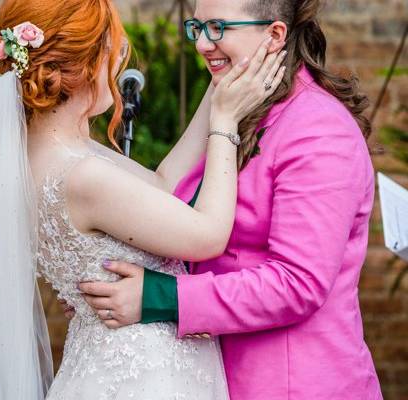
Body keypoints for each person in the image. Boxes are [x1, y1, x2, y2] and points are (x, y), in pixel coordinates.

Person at [0, 0, 285, 398]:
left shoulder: (53, 154)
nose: (117, 63)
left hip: (110, 365)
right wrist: (224, 123)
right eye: (111, 50)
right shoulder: (81, 175)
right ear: (82, 66)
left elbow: (163, 184)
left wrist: (221, 87)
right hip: (141, 378)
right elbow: (208, 234)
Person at [78, 0, 383, 399]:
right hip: (215, 375)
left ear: (274, 35)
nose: (203, 43)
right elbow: (189, 228)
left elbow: (298, 283)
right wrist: (111, 286)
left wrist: (159, 296)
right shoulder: (232, 110)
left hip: (292, 385)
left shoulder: (320, 130)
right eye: (198, 28)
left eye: (219, 27)